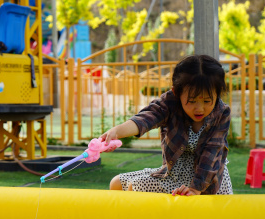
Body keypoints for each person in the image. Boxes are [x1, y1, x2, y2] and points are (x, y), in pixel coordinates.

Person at [100, 54, 233, 196]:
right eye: (192, 101)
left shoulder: (221, 113)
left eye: (207, 101)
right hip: (173, 175)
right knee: (116, 184)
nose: (199, 108)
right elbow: (147, 117)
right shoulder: (169, 103)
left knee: (135, 187)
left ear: (217, 94)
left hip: (205, 181)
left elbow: (212, 154)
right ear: (176, 92)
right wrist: (117, 131)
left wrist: (195, 189)